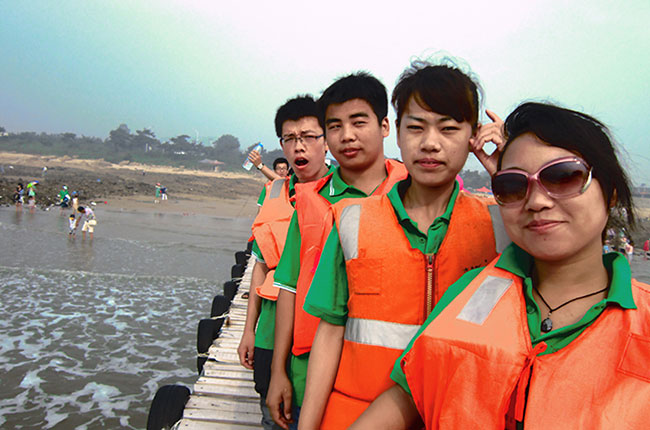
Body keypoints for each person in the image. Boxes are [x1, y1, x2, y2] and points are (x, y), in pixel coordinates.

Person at [352, 102, 648, 429]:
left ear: (611, 193)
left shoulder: (643, 324)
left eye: (563, 176)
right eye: (514, 186)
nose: (536, 201)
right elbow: (410, 389)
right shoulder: (473, 292)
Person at [299, 61, 508, 429]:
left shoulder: (500, 225)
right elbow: (329, 332)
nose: (430, 143)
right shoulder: (352, 220)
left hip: (452, 418)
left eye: (448, 128)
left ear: (474, 136)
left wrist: (508, 175)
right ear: (396, 132)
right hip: (354, 416)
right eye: (416, 127)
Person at [266, 72, 408, 429]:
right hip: (309, 377)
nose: (347, 135)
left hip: (392, 385)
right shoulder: (309, 202)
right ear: (327, 137)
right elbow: (288, 288)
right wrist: (278, 371)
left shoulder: (412, 192)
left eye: (359, 122)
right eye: (335, 126)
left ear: (385, 126)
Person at [238, 95, 333, 430]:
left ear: (326, 140)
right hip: (269, 329)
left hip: (323, 335)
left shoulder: (346, 195)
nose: (299, 146)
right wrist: (248, 330)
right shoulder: (274, 192)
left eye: (308, 136)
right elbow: (260, 266)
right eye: (290, 139)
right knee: (273, 416)